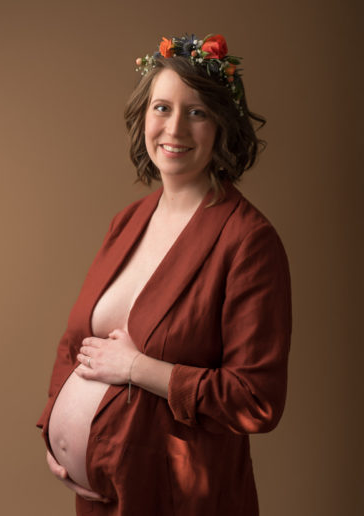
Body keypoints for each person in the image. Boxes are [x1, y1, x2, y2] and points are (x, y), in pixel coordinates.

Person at [36, 33, 292, 516]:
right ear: (143, 117)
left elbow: (256, 399)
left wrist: (139, 369)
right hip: (102, 498)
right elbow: (75, 342)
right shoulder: (129, 220)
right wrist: (54, 428)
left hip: (178, 499)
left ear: (221, 125)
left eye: (196, 112)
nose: (174, 128)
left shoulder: (248, 242)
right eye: (162, 108)